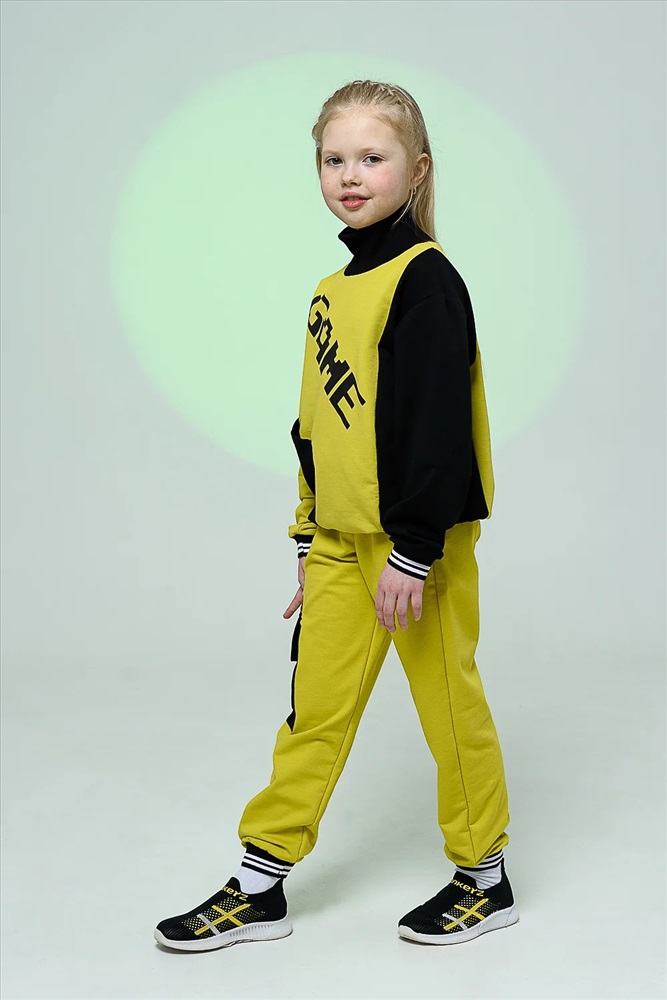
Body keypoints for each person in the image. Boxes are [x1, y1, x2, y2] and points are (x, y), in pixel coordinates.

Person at [154, 79, 518, 951]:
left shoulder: (424, 282)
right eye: (333, 159)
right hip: (338, 543)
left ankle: (484, 879)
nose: (350, 176)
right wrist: (306, 534)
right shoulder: (330, 289)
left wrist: (416, 550)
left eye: (372, 157)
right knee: (312, 715)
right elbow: (316, 424)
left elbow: (434, 428)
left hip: (415, 550)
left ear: (416, 169)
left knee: (447, 709)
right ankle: (259, 885)